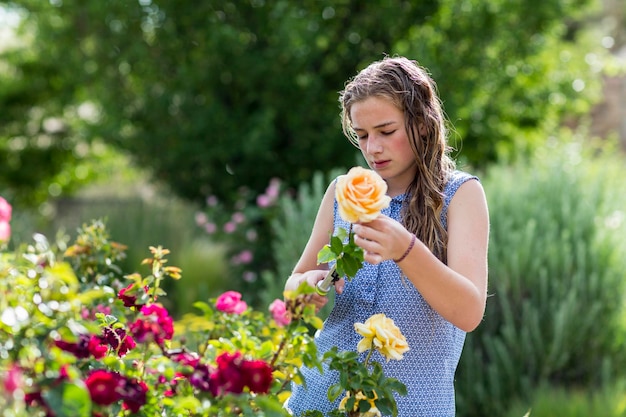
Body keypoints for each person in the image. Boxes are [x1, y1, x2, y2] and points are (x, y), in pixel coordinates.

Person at [284, 56, 489, 416]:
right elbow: (295, 283)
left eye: (386, 131)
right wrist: (308, 287)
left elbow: (469, 312)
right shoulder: (343, 191)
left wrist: (406, 249)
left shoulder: (460, 195)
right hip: (320, 395)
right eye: (361, 135)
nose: (372, 148)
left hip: (408, 403)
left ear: (422, 125)